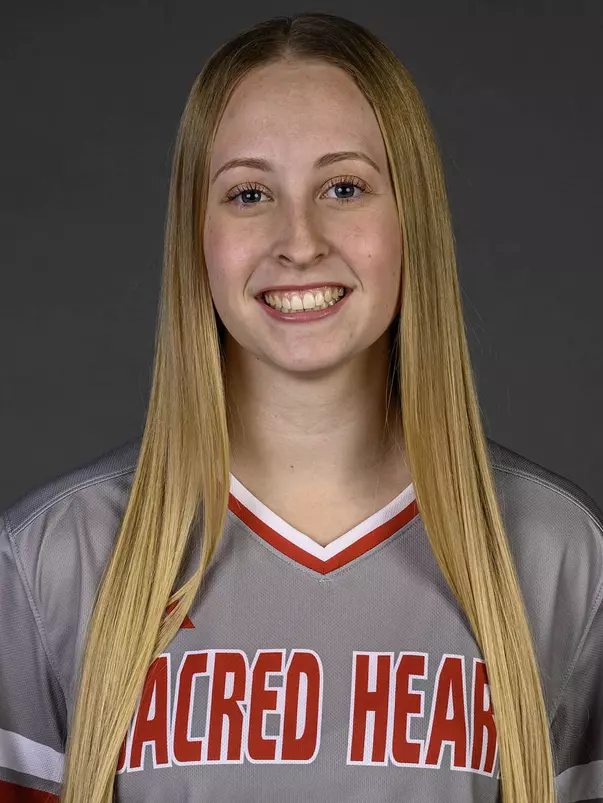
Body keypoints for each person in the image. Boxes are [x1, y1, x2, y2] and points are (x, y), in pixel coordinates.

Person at [1, 11, 601, 803]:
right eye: (248, 193)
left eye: (343, 187)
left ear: (409, 218)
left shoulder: (562, 560)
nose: (299, 240)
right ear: (195, 234)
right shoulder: (53, 564)